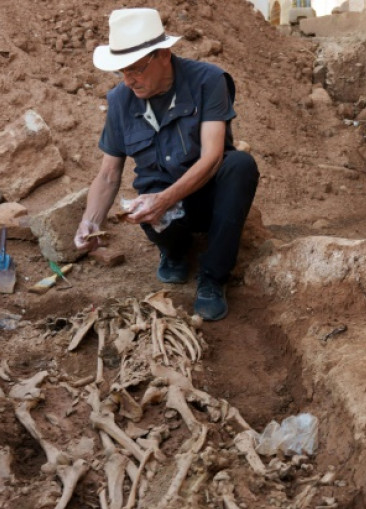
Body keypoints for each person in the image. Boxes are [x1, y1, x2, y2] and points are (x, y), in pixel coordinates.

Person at [74, 8, 259, 321]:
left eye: (135, 69)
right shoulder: (120, 100)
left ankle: (213, 277)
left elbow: (213, 157)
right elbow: (108, 175)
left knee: (240, 165)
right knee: (151, 209)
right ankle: (174, 252)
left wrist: (164, 199)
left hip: (207, 196)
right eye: (121, 71)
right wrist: (91, 220)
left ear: (163, 55)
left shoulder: (208, 81)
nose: (128, 80)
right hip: (159, 210)